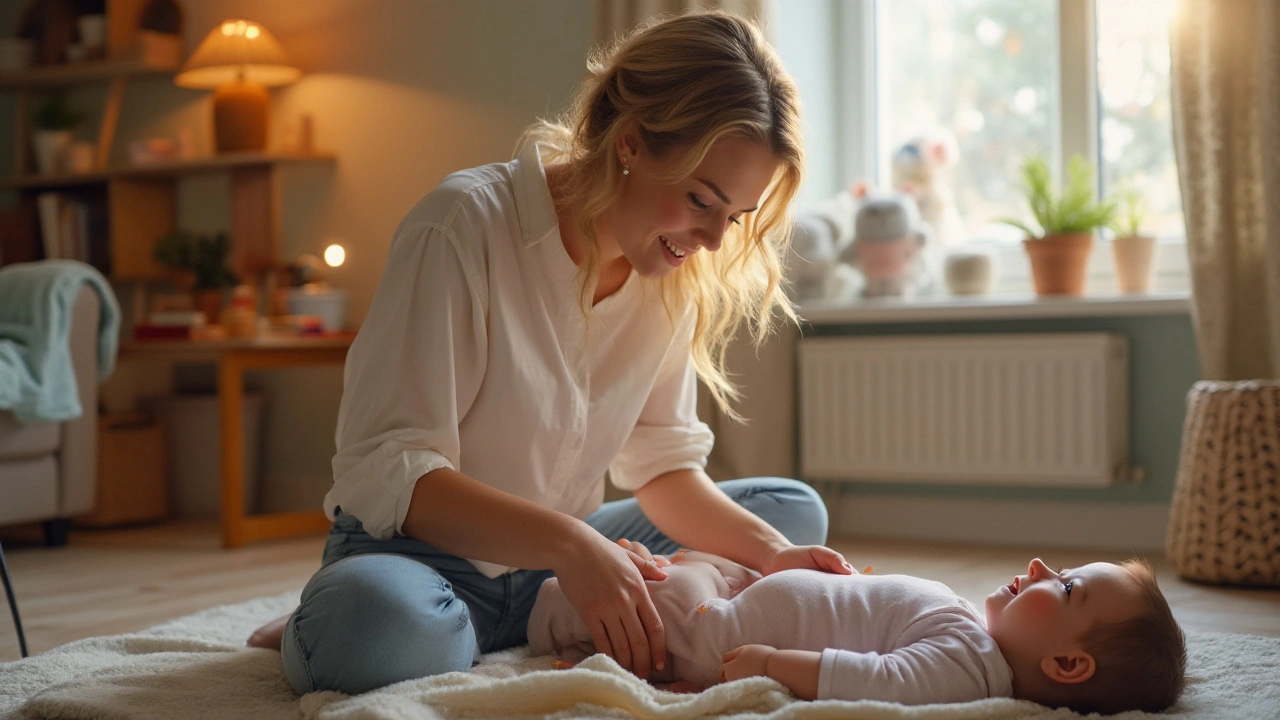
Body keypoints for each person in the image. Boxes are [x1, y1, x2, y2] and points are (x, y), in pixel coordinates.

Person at [246, 11, 856, 696]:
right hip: (421, 557)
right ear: (630, 143)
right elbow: (392, 469)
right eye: (700, 200)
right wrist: (574, 548)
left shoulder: (670, 275)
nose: (714, 240)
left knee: (790, 513)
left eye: (734, 216)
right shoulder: (461, 226)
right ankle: (355, 616)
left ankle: (509, 620)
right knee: (374, 628)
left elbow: (661, 466)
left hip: (556, 560)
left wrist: (775, 556)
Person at [531, 546, 1187, 715]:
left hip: (719, 632)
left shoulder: (969, 667)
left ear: (1068, 666)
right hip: (744, 600)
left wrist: (769, 663)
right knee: (696, 565)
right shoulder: (978, 642)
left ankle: (540, 604)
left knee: (666, 589)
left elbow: (880, 684)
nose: (1042, 565)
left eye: (1066, 587)